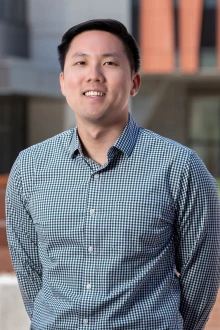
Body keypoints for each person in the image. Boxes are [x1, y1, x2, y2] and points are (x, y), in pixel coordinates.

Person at [6, 19, 220, 330]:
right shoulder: (29, 167)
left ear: (134, 82)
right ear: (63, 82)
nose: (94, 74)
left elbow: (201, 276)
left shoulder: (180, 167)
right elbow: (29, 272)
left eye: (109, 62)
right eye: (81, 62)